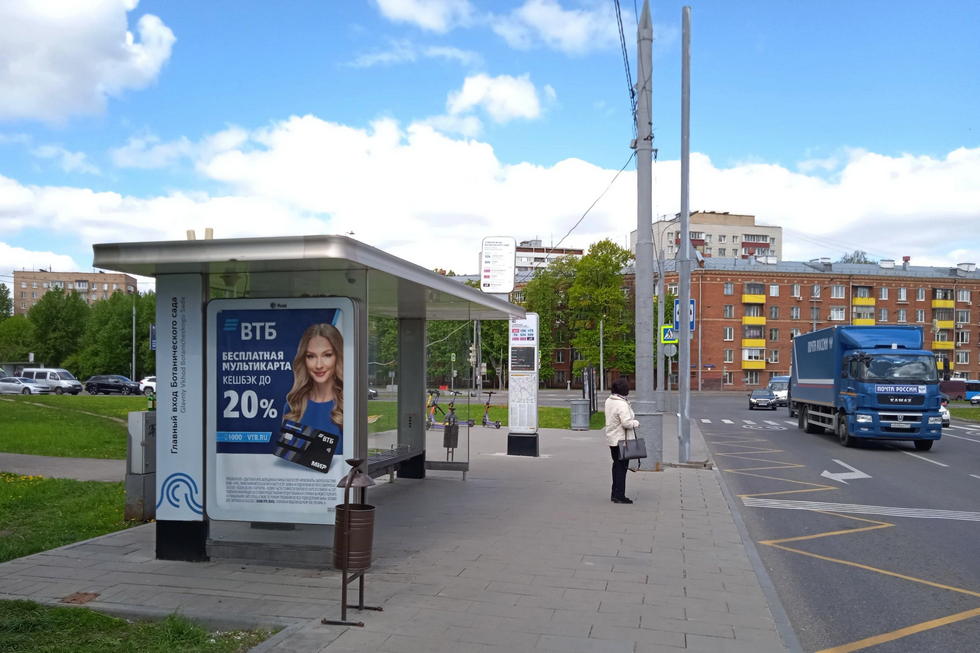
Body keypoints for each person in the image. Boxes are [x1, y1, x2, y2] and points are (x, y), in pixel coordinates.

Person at [283, 322, 344, 442]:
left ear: (338, 357)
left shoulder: (348, 405)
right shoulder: (294, 405)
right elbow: (287, 451)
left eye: (327, 355)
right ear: (304, 359)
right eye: (311, 356)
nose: (319, 365)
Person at [604, 378, 639, 504]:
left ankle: (615, 493)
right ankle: (619, 495)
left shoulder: (609, 400)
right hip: (622, 440)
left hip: (612, 439)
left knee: (616, 466)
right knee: (621, 468)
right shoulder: (622, 404)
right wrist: (636, 423)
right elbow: (626, 423)